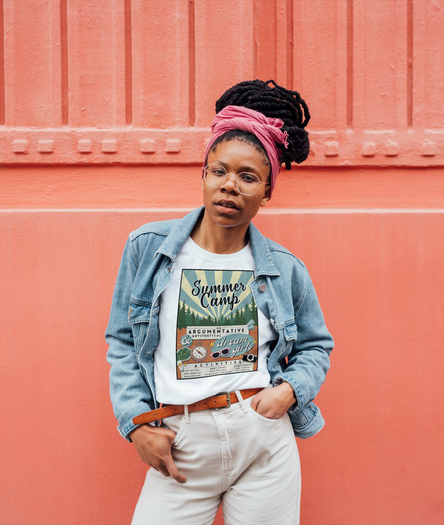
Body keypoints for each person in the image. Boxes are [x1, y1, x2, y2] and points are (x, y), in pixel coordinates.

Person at [106, 80, 333, 525]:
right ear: (204, 175)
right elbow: (120, 341)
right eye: (220, 171)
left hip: (261, 434)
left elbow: (315, 346)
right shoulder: (147, 248)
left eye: (248, 177)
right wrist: (136, 423)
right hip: (182, 437)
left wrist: (288, 393)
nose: (230, 185)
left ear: (267, 191)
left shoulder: (286, 269)